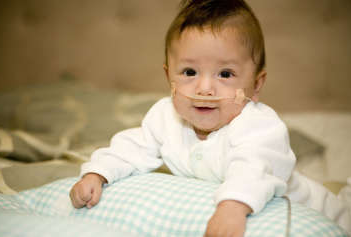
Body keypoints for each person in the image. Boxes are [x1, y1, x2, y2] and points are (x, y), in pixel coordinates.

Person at [70, 0, 350, 235]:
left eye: (225, 74)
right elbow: (132, 147)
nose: (204, 89)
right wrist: (98, 173)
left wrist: (233, 206)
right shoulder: (165, 116)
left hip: (323, 212)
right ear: (169, 76)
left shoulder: (259, 126)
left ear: (256, 85)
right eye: (189, 73)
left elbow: (253, 166)